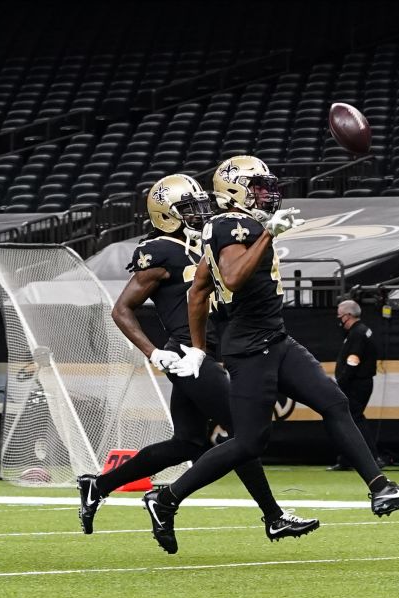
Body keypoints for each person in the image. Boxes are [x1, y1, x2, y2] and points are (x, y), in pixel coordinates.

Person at [137, 156, 399, 554]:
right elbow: (231, 277)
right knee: (247, 443)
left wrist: (198, 348)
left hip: (275, 340)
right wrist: (267, 236)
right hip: (250, 348)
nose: (267, 193)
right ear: (235, 189)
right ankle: (166, 498)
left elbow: (200, 289)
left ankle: (380, 490)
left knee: (335, 403)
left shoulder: (236, 226)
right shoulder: (228, 224)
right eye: (258, 186)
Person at [77, 174, 317, 542]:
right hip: (187, 354)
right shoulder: (160, 250)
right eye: (188, 208)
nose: (200, 213)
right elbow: (122, 309)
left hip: (208, 351)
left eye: (201, 205)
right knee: (242, 432)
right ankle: (272, 515)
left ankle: (98, 485)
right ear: (164, 215)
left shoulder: (201, 244)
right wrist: (153, 352)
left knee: (188, 442)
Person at [330, 299, 379, 471]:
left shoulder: (357, 333)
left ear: (348, 316)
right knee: (352, 419)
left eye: (340, 315)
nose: (338, 318)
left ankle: (369, 457)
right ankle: (349, 458)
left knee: (354, 418)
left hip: (356, 383)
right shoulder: (362, 331)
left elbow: (353, 360)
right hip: (360, 382)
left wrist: (341, 381)